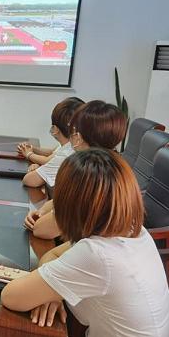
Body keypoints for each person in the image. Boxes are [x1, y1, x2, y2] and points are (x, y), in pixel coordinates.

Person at [0, 149, 169, 337]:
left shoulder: (98, 255)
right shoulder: (131, 230)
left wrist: (51, 288)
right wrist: (53, 290)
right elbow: (52, 255)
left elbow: (12, 296)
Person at [25, 100, 128, 239]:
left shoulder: (85, 172)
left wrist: (38, 218)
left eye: (73, 130)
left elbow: (41, 230)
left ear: (78, 137)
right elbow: (61, 202)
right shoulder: (119, 166)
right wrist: (41, 211)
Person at [21, 97, 84, 188]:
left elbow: (29, 180)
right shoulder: (76, 145)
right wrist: (33, 148)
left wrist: (29, 154)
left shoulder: (68, 153)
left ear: (55, 129)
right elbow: (51, 153)